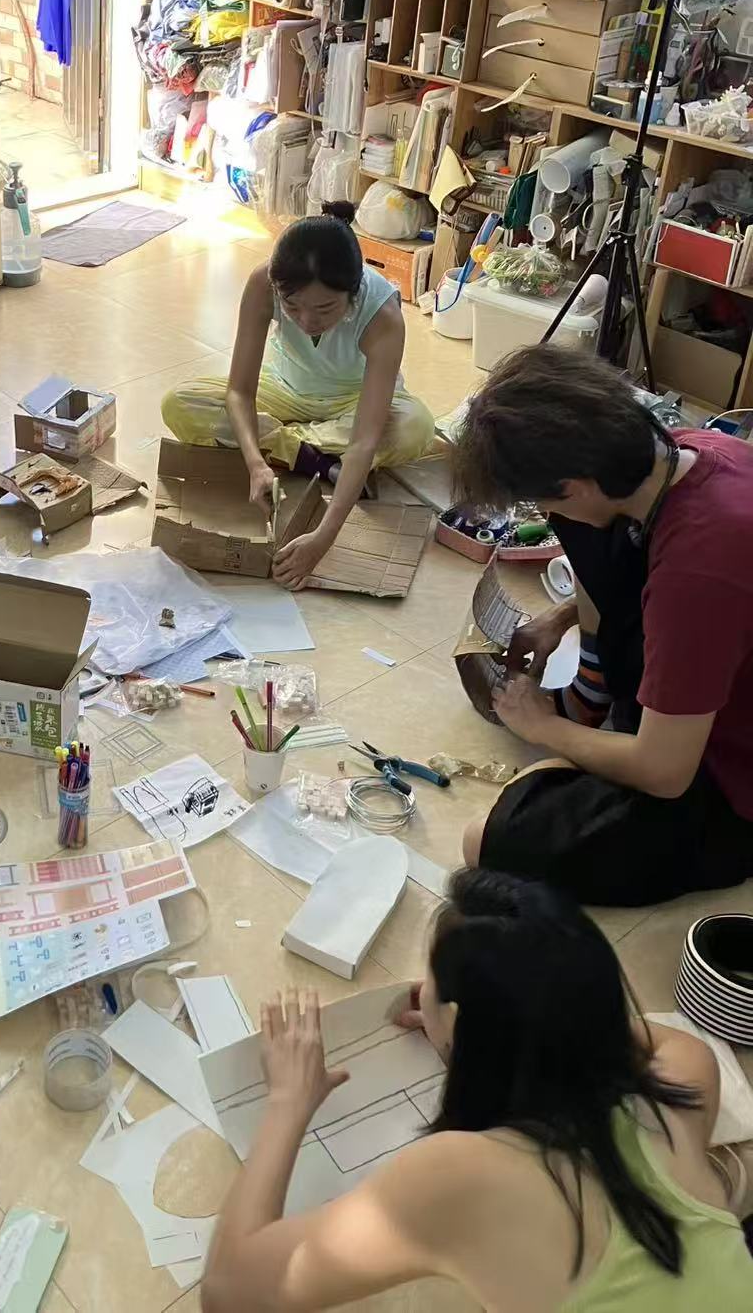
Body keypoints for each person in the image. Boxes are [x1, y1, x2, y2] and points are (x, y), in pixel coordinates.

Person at [202, 869, 753, 1313]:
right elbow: (638, 1036)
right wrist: (512, 1022)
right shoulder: (681, 1084)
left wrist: (287, 1102)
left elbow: (230, 1293)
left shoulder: (458, 1177)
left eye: (430, 987)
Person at [454, 346, 753, 907]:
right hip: (716, 688)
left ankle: (590, 738)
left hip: (728, 782)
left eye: (543, 501)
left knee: (484, 840)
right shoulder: (693, 449)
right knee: (591, 530)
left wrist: (544, 728)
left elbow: (665, 771)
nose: (547, 514)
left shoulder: (698, 571)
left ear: (574, 485)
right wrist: (563, 614)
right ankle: (597, 716)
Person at [161, 205, 435, 588]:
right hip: (284, 389)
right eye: (291, 306)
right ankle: (313, 457)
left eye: (325, 308)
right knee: (180, 404)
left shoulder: (382, 315)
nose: (307, 321)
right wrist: (255, 465)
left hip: (352, 401)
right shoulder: (263, 283)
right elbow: (240, 391)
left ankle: (294, 450)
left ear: (353, 292)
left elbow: (363, 440)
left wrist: (323, 538)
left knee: (415, 429)